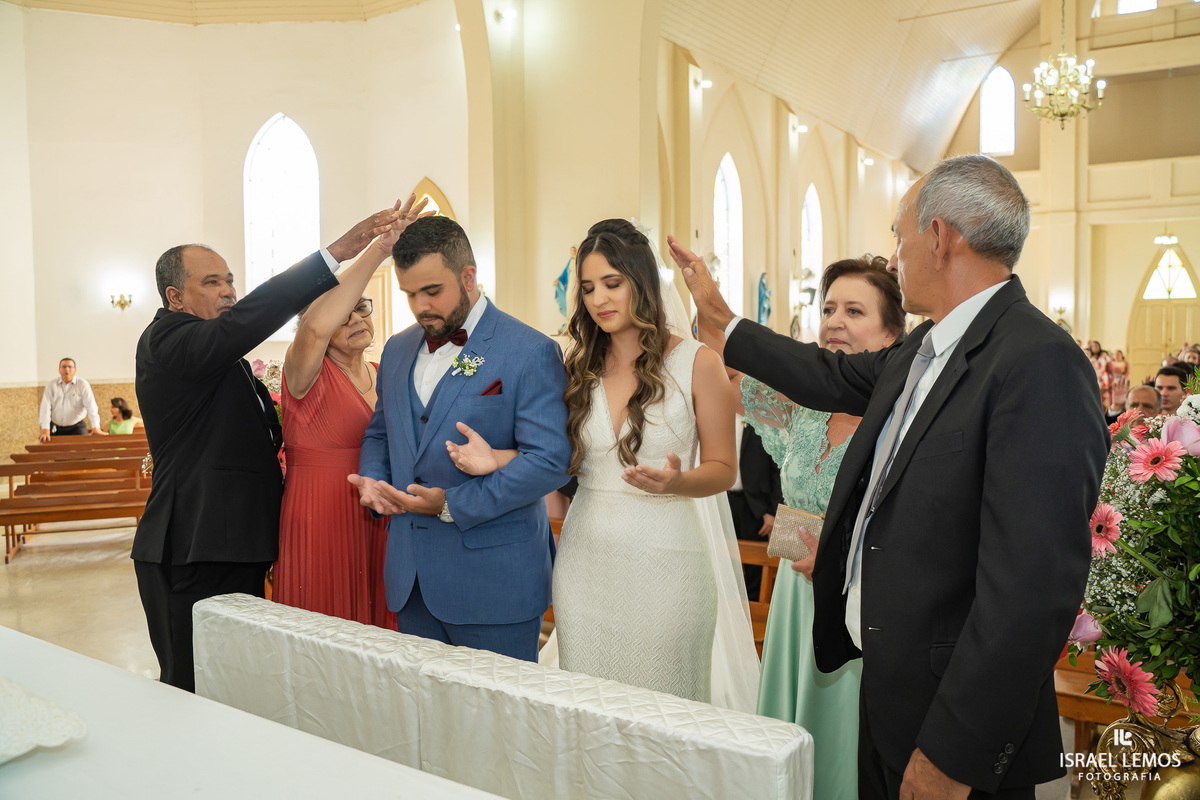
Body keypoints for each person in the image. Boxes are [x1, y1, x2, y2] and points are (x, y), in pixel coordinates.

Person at [671, 153, 1108, 799]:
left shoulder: (1037, 361)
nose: (894, 254)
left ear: (939, 237)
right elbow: (828, 378)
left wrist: (953, 756)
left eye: (898, 236)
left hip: (952, 725)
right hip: (889, 693)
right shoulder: (922, 349)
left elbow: (1031, 591)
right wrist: (724, 322)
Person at [447, 219, 760, 711]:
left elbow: (723, 468)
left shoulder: (699, 363)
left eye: (612, 283)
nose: (598, 299)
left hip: (668, 566)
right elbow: (566, 460)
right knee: (589, 715)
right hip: (586, 566)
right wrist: (499, 458)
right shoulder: (577, 369)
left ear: (642, 283)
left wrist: (676, 481)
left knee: (664, 714)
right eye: (588, 288)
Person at [133, 205, 400, 692]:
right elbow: (248, 327)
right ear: (175, 296)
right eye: (212, 282)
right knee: (193, 684)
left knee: (240, 683)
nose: (229, 291)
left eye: (230, 280)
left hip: (236, 541)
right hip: (195, 542)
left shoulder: (220, 356)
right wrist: (336, 254)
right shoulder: (167, 341)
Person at [702, 255, 905, 800]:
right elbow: (723, 368)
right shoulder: (802, 409)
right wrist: (703, 307)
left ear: (893, 334)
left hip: (856, 594)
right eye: (829, 307)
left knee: (844, 740)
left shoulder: (902, 420)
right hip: (795, 593)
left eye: (855, 310)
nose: (834, 320)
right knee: (790, 733)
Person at [350, 216, 570, 663]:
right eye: (410, 293)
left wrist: (452, 505)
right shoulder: (395, 349)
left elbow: (550, 461)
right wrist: (374, 478)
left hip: (495, 583)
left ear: (468, 276)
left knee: (501, 725)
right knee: (425, 723)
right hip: (411, 581)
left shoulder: (529, 351)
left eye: (432, 291)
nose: (420, 306)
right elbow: (379, 432)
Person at [274, 195, 430, 627]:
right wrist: (380, 248)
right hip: (320, 511)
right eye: (347, 310)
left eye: (364, 306)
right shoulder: (304, 372)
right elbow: (318, 325)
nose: (357, 316)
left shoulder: (388, 372)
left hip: (380, 513)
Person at [727, 421, 783, 599]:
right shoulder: (718, 417)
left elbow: (776, 468)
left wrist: (773, 512)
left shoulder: (763, 421)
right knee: (724, 561)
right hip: (721, 500)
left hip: (755, 507)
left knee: (756, 567)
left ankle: (755, 618)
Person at [37, 358, 103, 442]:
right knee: (48, 450)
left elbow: (91, 406)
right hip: (55, 427)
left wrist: (96, 426)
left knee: (85, 451)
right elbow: (45, 407)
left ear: (74, 370)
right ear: (59, 370)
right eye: (64, 367)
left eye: (70, 367)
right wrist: (45, 428)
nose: (67, 369)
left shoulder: (82, 384)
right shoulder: (51, 385)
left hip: (76, 426)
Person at [1086, 340, 1113, 408]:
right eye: (1093, 346)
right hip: (1093, 378)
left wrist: (1111, 382)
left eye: (1096, 346)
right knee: (1094, 397)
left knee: (1104, 398)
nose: (1095, 347)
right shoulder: (1088, 357)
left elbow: (1110, 370)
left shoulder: (1104, 357)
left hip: (1103, 379)